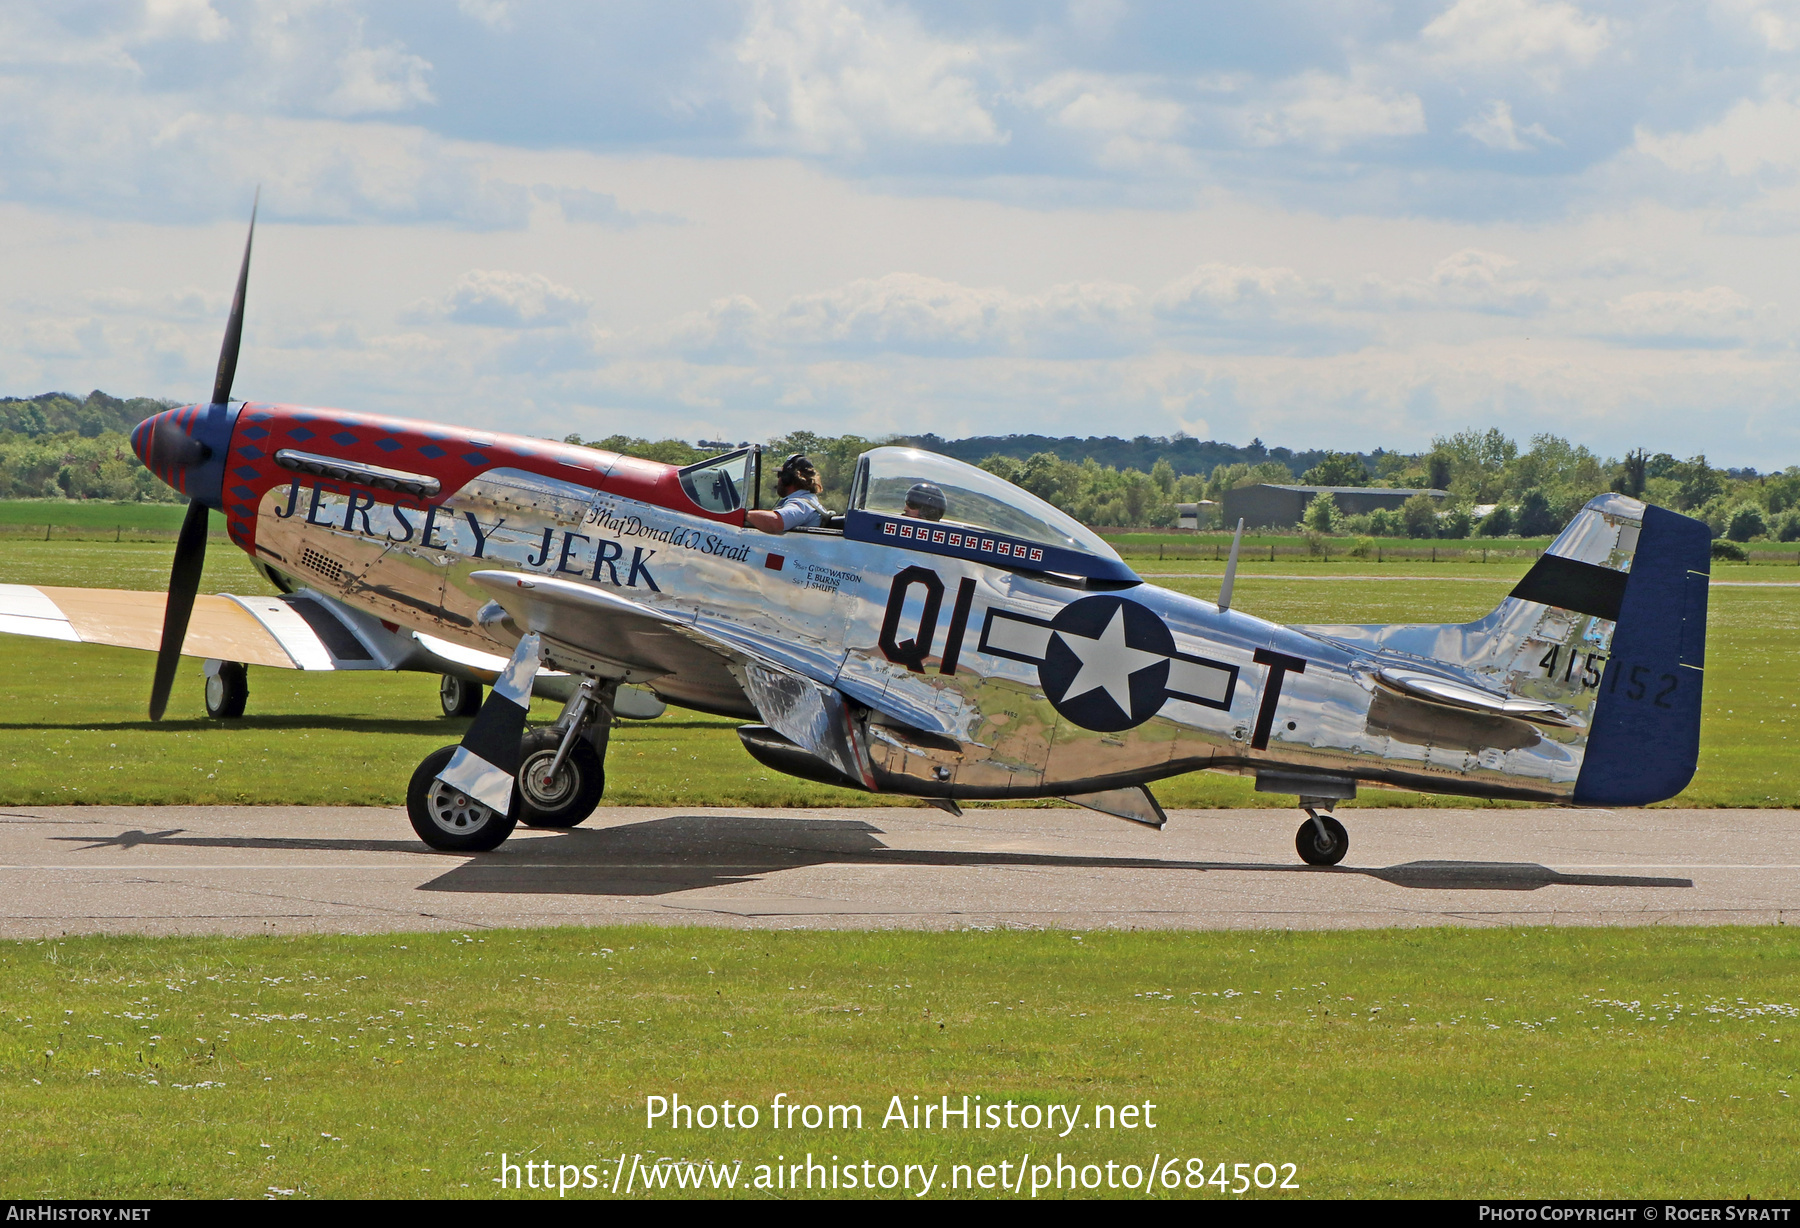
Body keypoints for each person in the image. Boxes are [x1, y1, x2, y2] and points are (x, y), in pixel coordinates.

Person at [747, 453, 827, 533]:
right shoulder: (809, 501)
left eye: (780, 475)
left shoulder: (801, 504)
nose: (778, 479)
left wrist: (745, 515)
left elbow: (776, 522)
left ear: (787, 478)